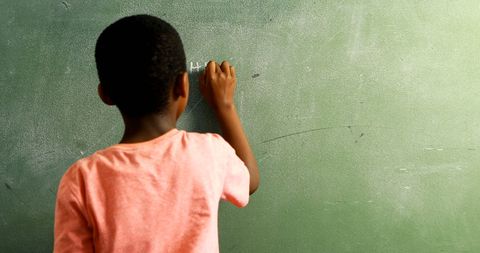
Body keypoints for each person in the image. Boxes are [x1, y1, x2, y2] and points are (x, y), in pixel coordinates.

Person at [54, 14, 259, 253]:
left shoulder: (81, 179)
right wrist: (225, 106)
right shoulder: (209, 153)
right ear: (183, 85)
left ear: (105, 95)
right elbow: (249, 181)